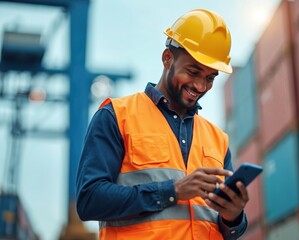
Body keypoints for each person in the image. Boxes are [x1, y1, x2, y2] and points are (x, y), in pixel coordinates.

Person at [76, 8, 249, 240]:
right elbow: (89, 200)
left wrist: (234, 217)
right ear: (167, 58)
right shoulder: (116, 116)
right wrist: (172, 191)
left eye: (210, 78)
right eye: (193, 72)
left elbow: (224, 229)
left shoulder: (218, 139)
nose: (200, 86)